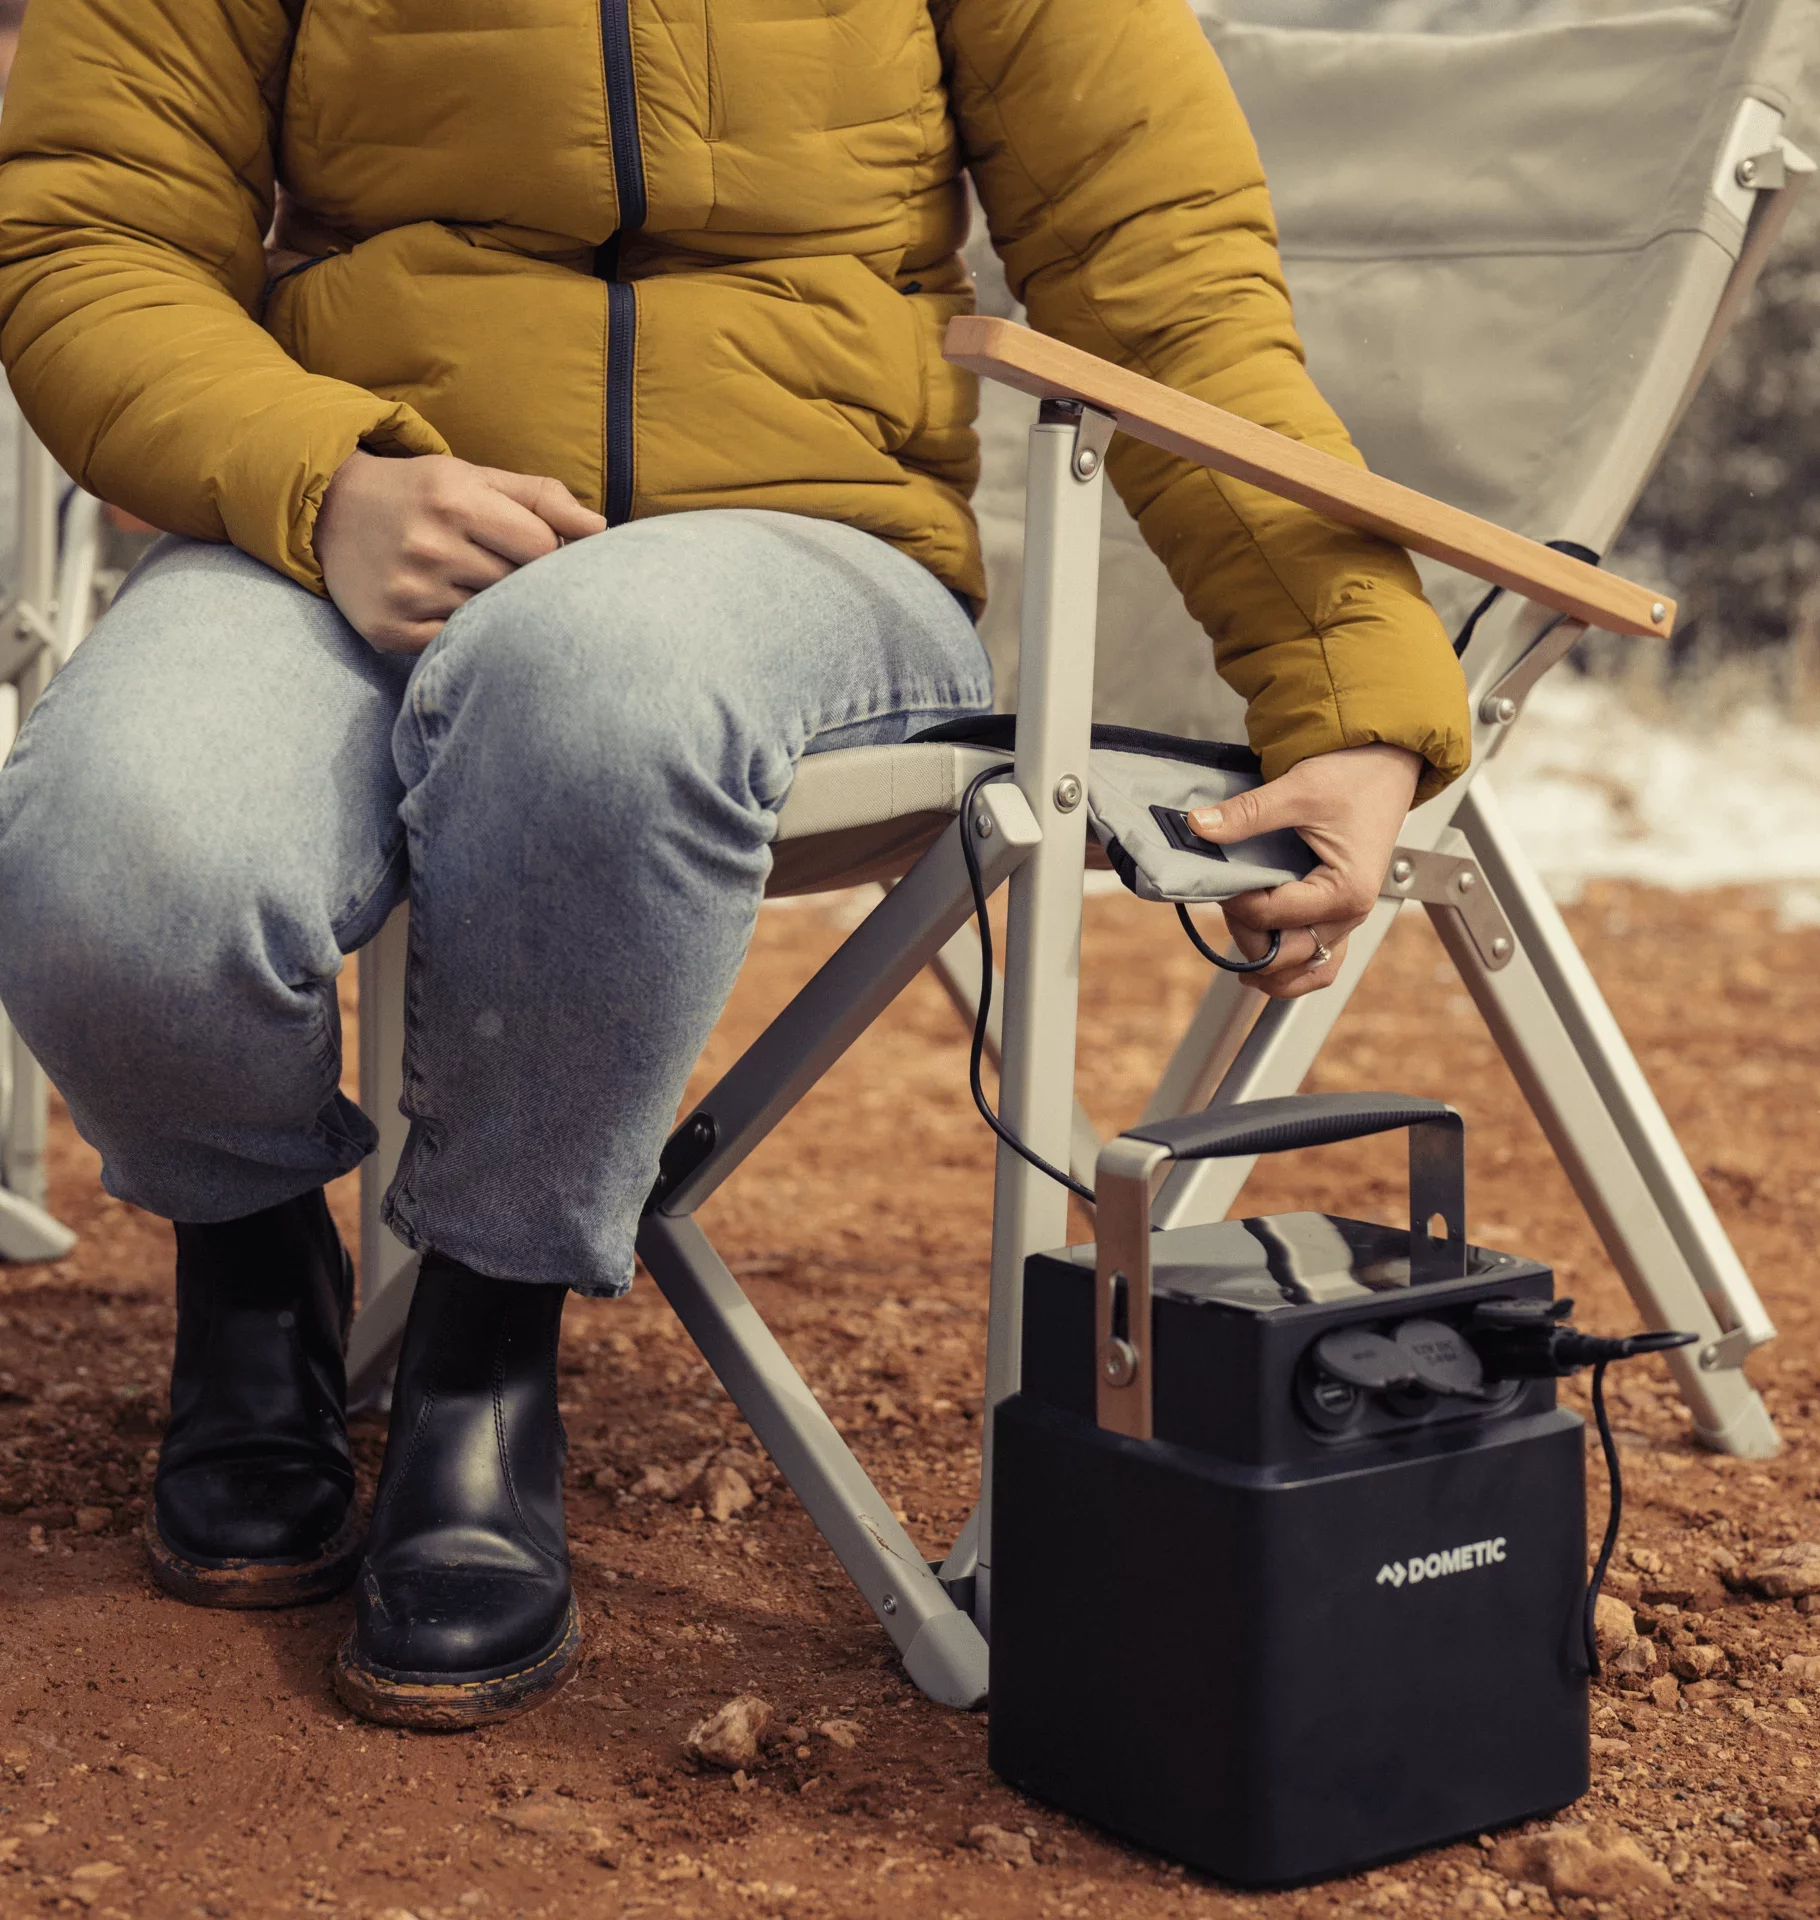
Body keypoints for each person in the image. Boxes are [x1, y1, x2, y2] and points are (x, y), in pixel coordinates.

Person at [0, 0, 1468, 1727]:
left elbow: (1164, 273)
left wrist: (1349, 685)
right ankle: (256, 1276)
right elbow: (89, 231)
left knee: (592, 686)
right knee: (110, 855)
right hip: (353, 519)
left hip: (800, 546)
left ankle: (484, 1344)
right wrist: (327, 482)